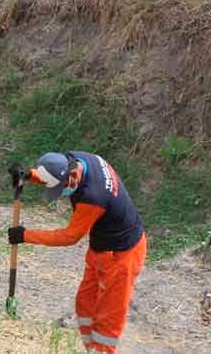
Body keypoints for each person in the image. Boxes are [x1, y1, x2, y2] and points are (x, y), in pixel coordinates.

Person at [8, 151, 147, 353]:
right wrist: (29, 174)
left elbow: (69, 237)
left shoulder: (94, 197)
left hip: (123, 256)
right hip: (100, 249)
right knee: (85, 305)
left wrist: (25, 235)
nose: (61, 194)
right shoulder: (78, 159)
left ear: (71, 177)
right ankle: (90, 349)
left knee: (107, 322)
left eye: (61, 188)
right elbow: (56, 172)